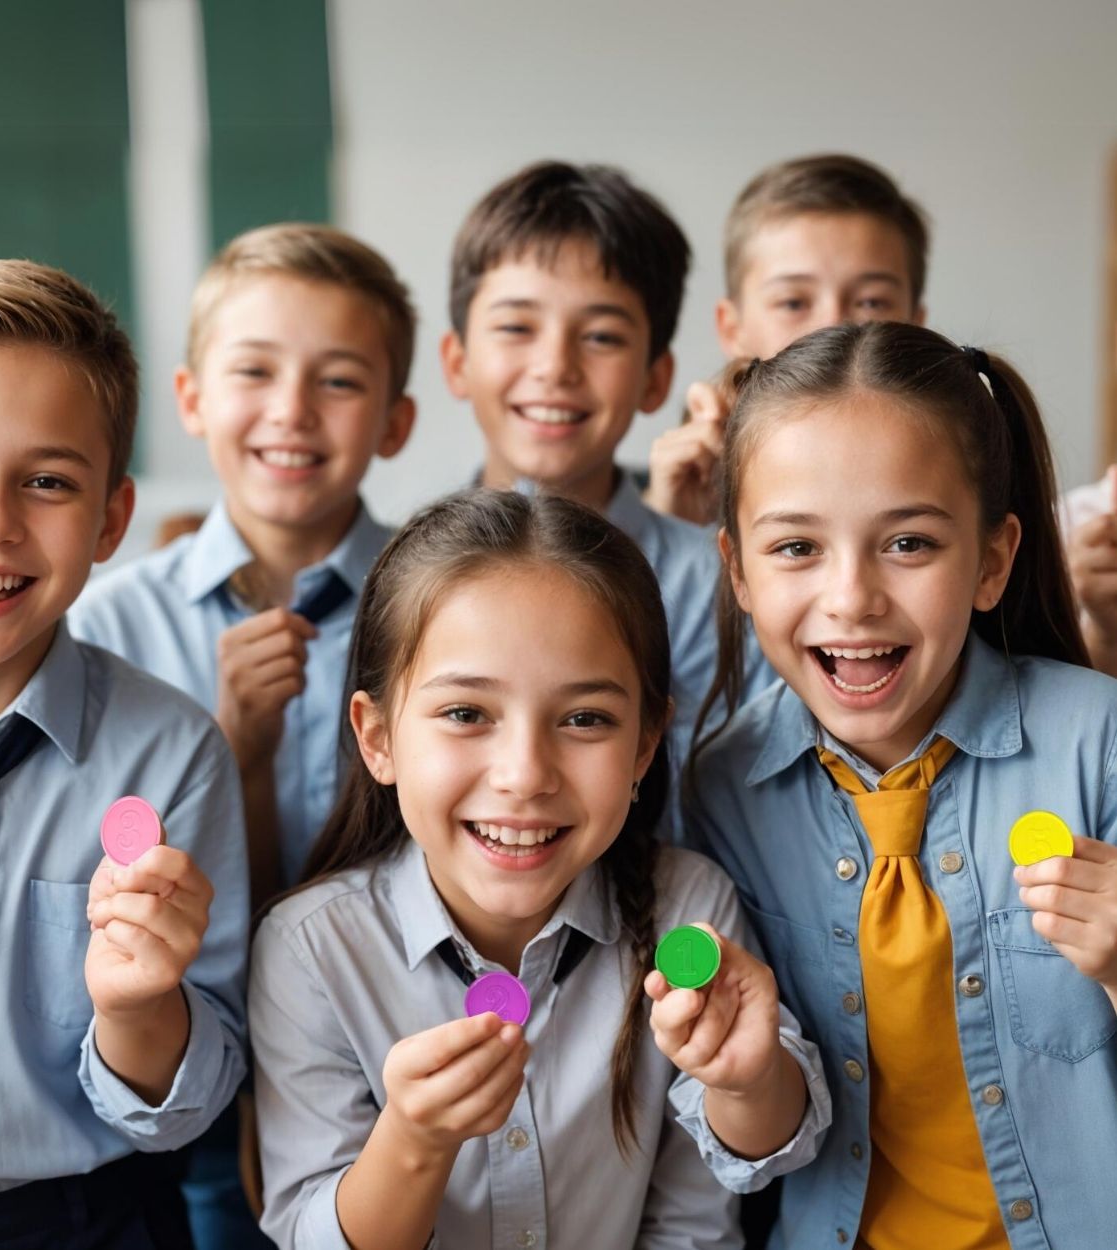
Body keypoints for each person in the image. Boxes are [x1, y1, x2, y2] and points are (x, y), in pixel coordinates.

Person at [251, 490, 830, 1249]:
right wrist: (415, 1144)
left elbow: (704, 1214)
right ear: (379, 736)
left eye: (585, 719)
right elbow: (311, 1234)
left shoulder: (688, 906)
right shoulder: (311, 949)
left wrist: (748, 1081)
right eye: (466, 714)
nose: (524, 775)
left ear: (645, 745)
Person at [686, 320, 1117, 1248]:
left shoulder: (1101, 742)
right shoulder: (719, 794)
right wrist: (738, 1075)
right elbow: (750, 1149)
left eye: (909, 544)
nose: (853, 598)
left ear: (992, 562)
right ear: (738, 572)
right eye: (797, 548)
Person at [0, 260, 248, 1249]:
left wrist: (137, 1001)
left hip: (96, 1222)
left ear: (111, 519)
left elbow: (190, 1098)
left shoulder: (170, 752)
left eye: (46, 480)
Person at [68, 223, 416, 1247]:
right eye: (253, 370)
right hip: (183, 1085)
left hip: (384, 1055)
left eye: (339, 381)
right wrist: (232, 753)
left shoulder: (448, 605)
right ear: (190, 399)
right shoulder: (103, 624)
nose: (291, 411)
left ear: (395, 419)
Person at [440, 160, 771, 806]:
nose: (555, 367)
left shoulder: (713, 586)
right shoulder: (409, 578)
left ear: (655, 378)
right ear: (458, 361)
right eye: (516, 327)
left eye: (601, 336)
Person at [643, 152, 927, 528]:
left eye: (871, 302)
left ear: (916, 324)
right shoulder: (685, 495)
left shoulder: (962, 469)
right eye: (794, 302)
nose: (832, 327)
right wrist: (670, 529)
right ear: (732, 328)